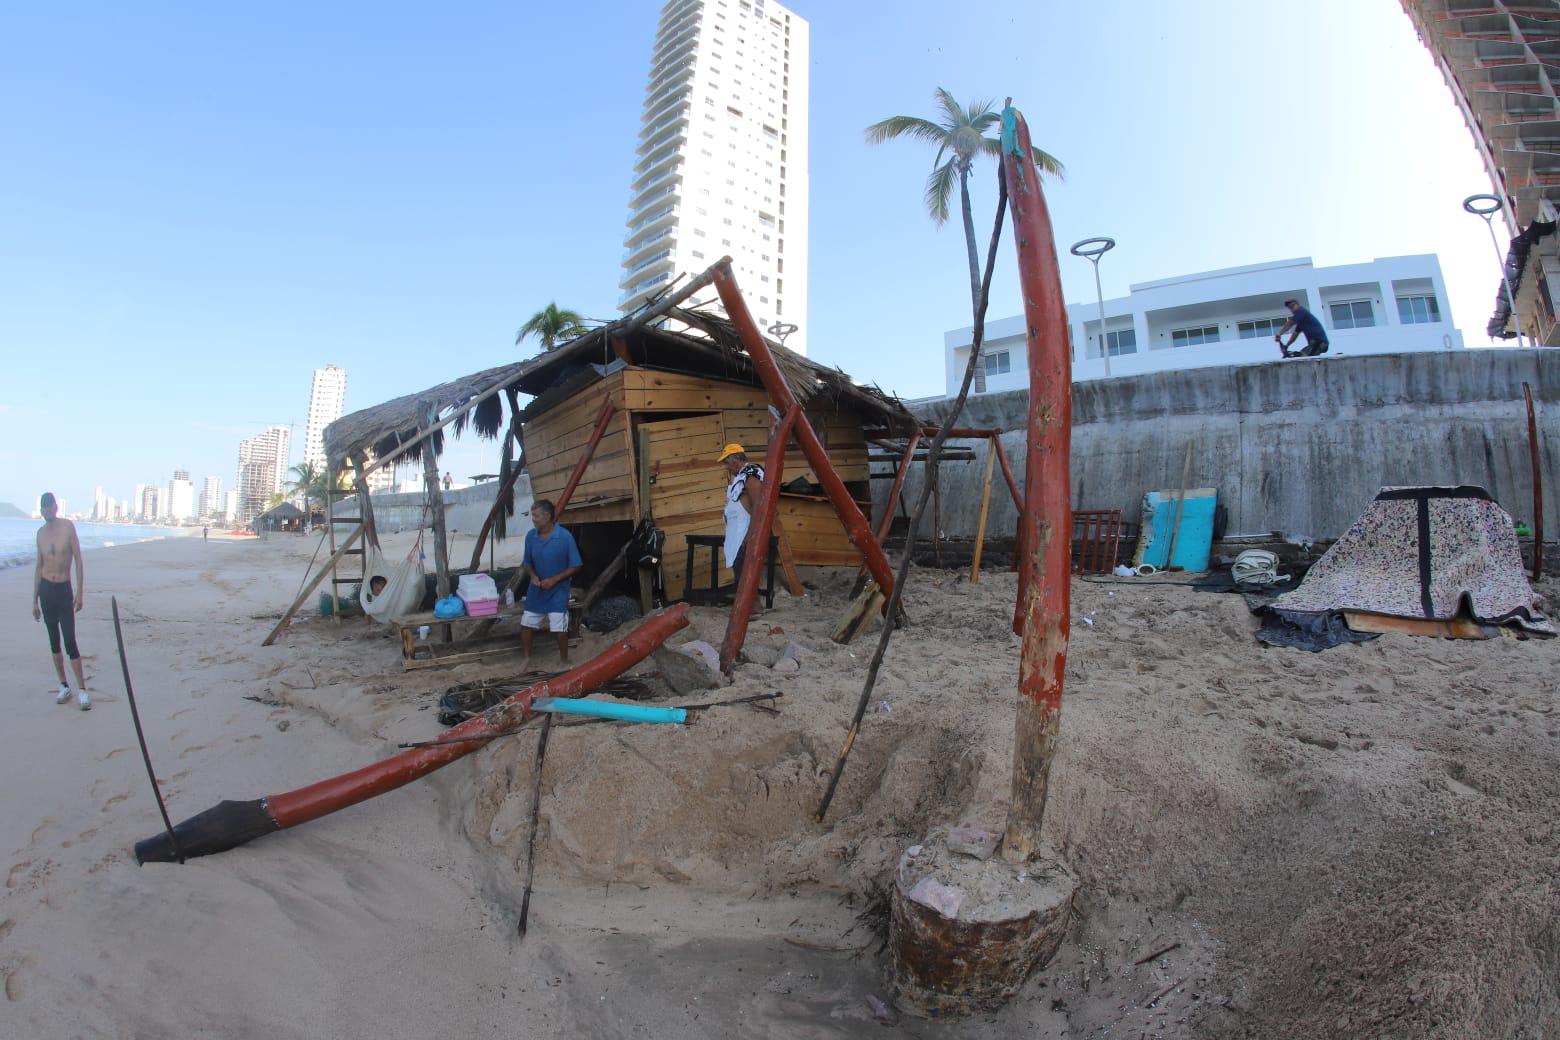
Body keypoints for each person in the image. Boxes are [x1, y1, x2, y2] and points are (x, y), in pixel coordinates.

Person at [31, 492, 89, 710]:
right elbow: (38, 567)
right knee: (53, 641)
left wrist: (80, 592)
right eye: (42, 508)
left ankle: (82, 689)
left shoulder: (67, 527)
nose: (46, 511)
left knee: (69, 639)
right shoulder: (40, 533)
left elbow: (78, 560)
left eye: (49, 507)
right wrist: (34, 600)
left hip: (64, 589)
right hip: (46, 590)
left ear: (55, 507)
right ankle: (64, 685)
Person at [519, 499, 581, 671]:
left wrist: (554, 579)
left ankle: (564, 659)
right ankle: (526, 657)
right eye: (533, 515)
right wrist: (532, 576)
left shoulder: (564, 537)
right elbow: (527, 562)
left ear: (547, 516)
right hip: (536, 589)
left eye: (536, 516)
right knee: (526, 623)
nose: (533, 519)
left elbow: (576, 565)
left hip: (558, 591)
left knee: (558, 626)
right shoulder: (531, 536)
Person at [719, 443, 765, 596]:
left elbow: (759, 507)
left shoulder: (751, 475)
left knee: (744, 571)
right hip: (737, 533)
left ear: (736, 461)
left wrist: (750, 536)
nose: (726, 467)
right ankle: (749, 607)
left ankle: (753, 608)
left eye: (727, 463)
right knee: (740, 570)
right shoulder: (741, 476)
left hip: (744, 532)